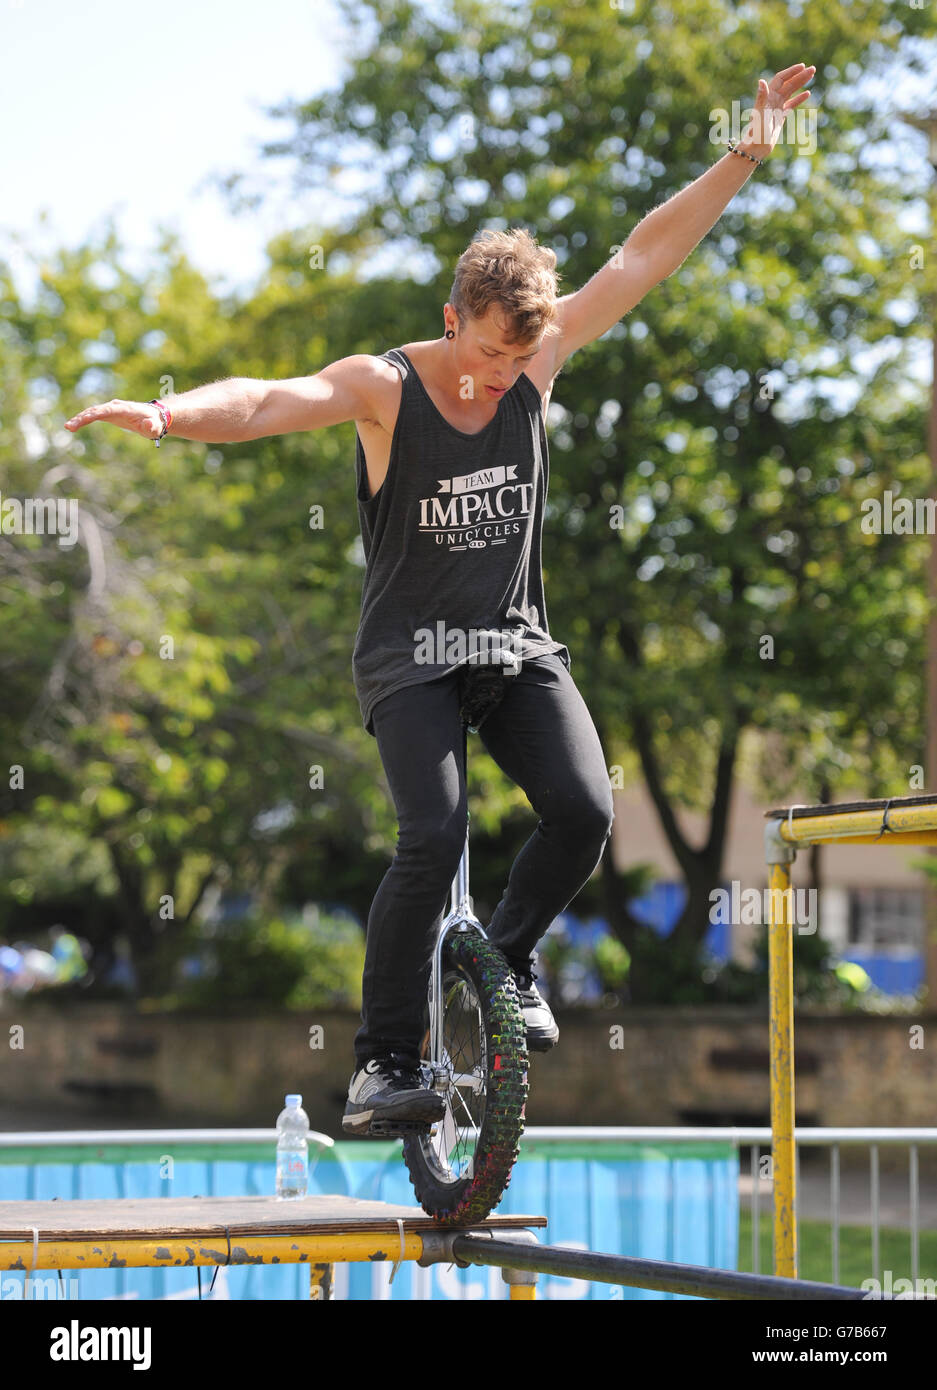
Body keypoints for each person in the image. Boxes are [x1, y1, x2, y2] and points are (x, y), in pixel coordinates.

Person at [63, 65, 815, 1134]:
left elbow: (641, 256)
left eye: (520, 360)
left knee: (585, 808)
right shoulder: (388, 386)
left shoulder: (536, 364)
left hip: (509, 643)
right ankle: (379, 1063)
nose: (500, 378)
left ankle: (503, 961)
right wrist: (171, 413)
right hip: (408, 659)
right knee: (434, 832)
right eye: (488, 353)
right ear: (451, 316)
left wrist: (743, 150)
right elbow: (276, 399)